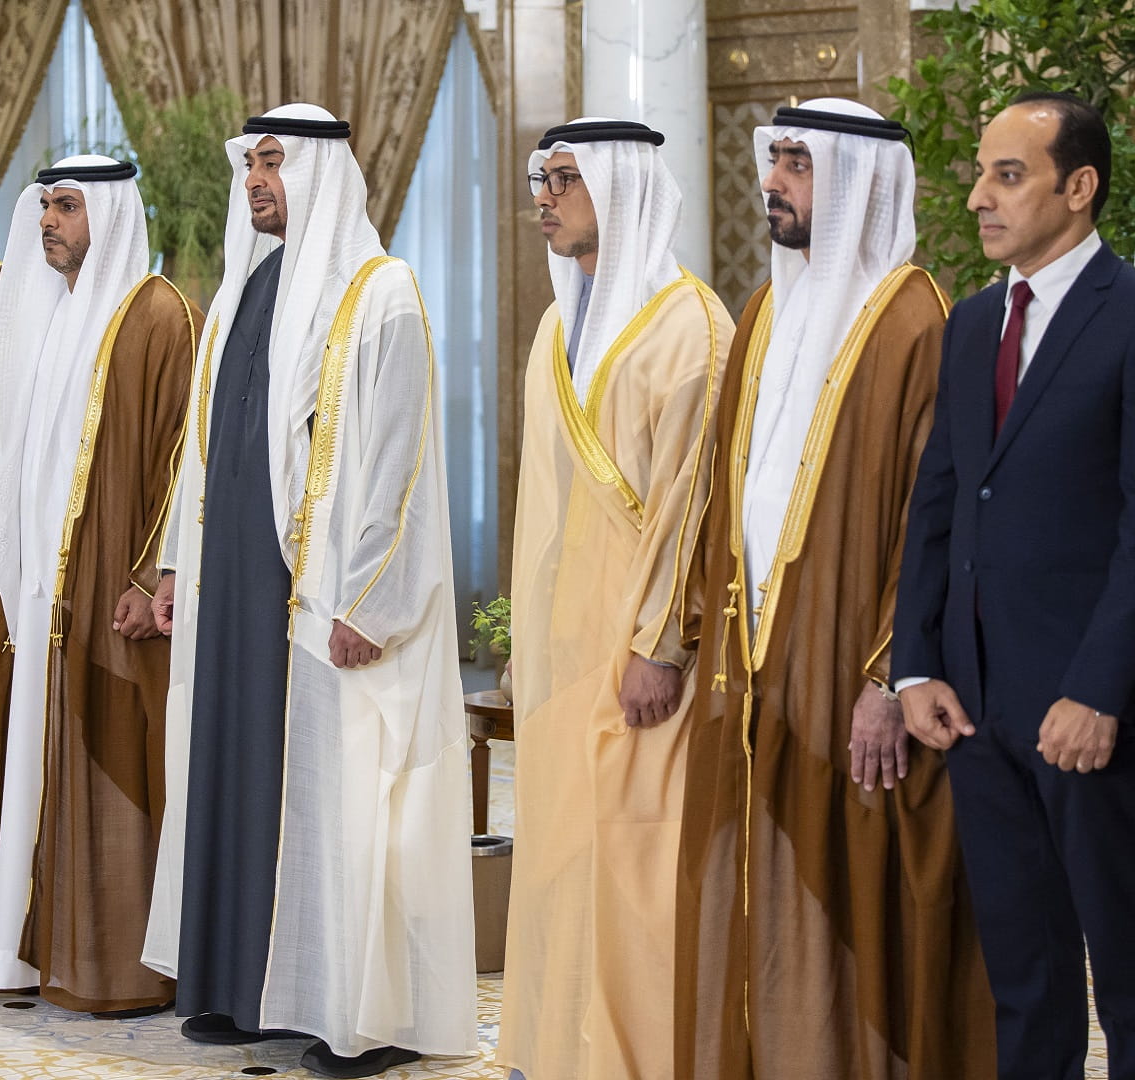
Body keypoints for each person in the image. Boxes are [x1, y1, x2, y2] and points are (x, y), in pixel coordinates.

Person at [141, 104, 475, 1080]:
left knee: (345, 799)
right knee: (243, 783)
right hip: (235, 594)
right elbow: (203, 448)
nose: (256, 180)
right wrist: (176, 563)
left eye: (275, 162)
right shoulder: (245, 290)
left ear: (322, 173)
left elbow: (401, 464)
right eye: (251, 163)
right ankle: (249, 989)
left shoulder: (381, 294)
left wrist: (371, 599)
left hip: (328, 600)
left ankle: (364, 1018)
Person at [674, 99, 995, 1080]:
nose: (772, 182)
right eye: (773, 160)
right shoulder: (765, 311)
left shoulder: (912, 322)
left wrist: (890, 675)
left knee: (855, 892)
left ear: (856, 179)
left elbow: (935, 524)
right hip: (754, 666)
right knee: (753, 881)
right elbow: (722, 490)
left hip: (850, 673)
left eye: (797, 164)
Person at [893, 92, 1135, 1080]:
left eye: (1007, 176)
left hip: (1084, 711)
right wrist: (915, 666)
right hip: (973, 705)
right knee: (1023, 968)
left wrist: (1100, 692)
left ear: (1079, 186)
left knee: (1128, 959)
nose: (979, 197)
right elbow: (940, 502)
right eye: (981, 174)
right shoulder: (975, 321)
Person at [498, 117, 731, 1080]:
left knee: (640, 865)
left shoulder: (692, 328)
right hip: (563, 646)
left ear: (622, 187)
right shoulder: (557, 326)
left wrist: (660, 645)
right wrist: (527, 637)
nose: (543, 198)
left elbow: (694, 507)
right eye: (541, 179)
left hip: (641, 655)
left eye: (564, 179)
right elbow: (542, 501)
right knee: (560, 852)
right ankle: (554, 1052)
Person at [0, 154, 198, 1015]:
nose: (48, 222)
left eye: (67, 206)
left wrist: (149, 574)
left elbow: (182, 458)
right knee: (42, 765)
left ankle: (128, 964)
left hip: (116, 593)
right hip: (43, 595)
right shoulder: (49, 314)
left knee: (118, 762)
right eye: (45, 207)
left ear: (111, 212)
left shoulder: (158, 314)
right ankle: (44, 952)